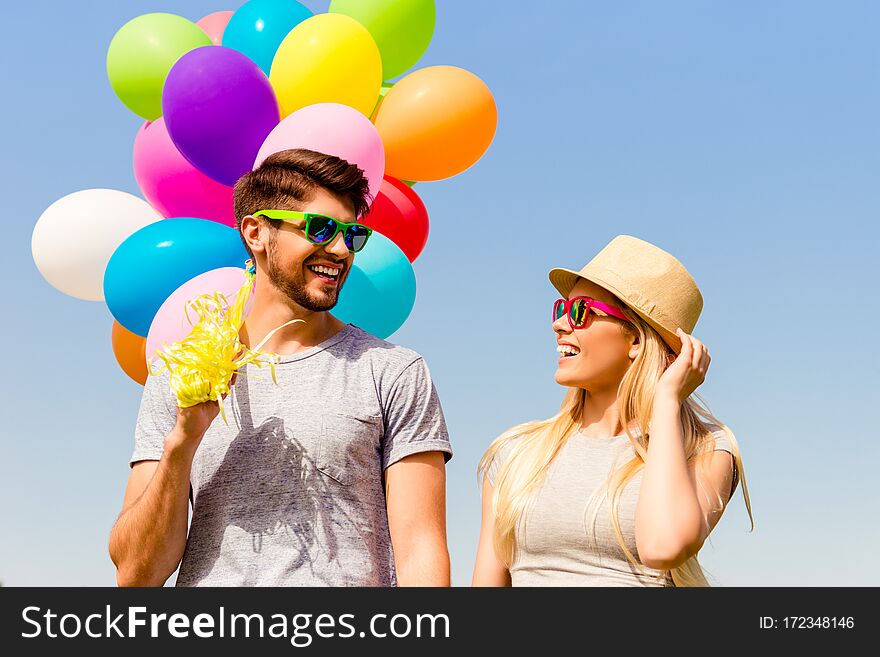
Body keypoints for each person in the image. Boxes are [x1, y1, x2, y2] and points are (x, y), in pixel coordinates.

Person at [109, 148, 452, 587]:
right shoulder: (179, 375)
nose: (340, 250)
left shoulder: (393, 371)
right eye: (321, 228)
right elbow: (135, 575)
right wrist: (182, 442)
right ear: (255, 232)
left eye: (352, 234)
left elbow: (422, 549)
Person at [472, 235, 753, 587]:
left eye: (580, 312)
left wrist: (667, 402)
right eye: (561, 308)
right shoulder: (515, 454)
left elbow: (663, 548)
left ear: (636, 339)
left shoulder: (705, 449)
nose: (559, 324)